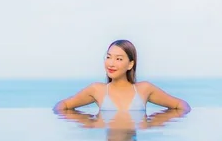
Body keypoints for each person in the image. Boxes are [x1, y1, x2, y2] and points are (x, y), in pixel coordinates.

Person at [53, 39, 191, 115]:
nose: (111, 63)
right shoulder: (97, 90)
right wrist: (86, 122)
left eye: (119, 59)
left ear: (130, 64)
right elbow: (62, 106)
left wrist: (156, 122)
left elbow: (181, 105)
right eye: (108, 57)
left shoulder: (143, 89)